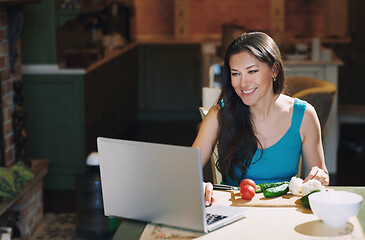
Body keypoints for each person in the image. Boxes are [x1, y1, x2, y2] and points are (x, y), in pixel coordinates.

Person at [192, 32, 329, 206]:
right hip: (231, 213)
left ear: (274, 70)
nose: (243, 83)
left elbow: (318, 181)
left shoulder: (305, 115)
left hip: (283, 212)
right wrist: (199, 185)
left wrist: (320, 177)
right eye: (236, 74)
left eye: (252, 71)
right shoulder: (220, 113)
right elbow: (187, 170)